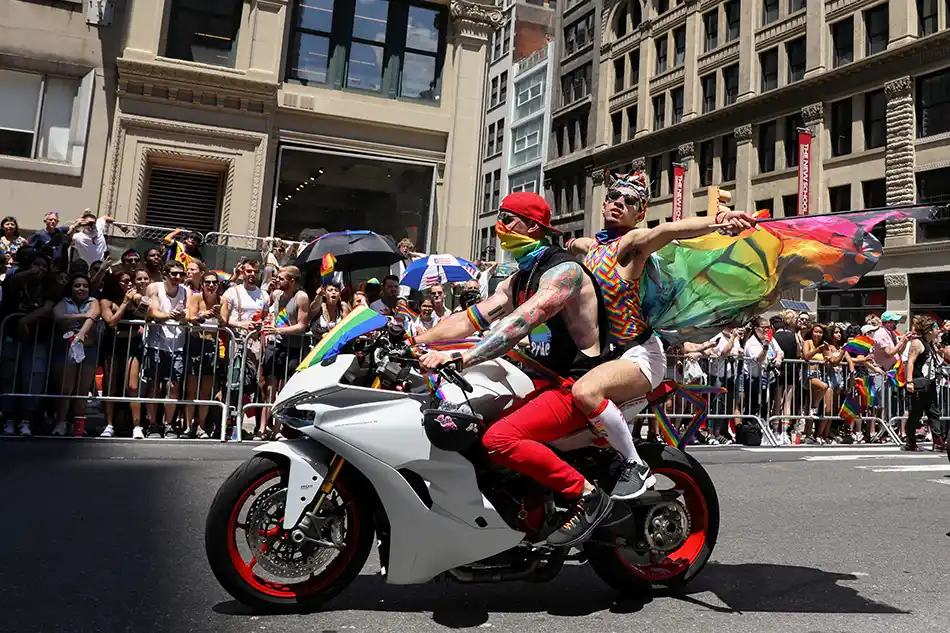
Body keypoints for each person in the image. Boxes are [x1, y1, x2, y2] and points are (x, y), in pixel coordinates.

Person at [415, 192, 612, 549]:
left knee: (499, 440)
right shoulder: (520, 278)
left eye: (507, 219)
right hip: (542, 382)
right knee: (470, 426)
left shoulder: (564, 271)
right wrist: (416, 341)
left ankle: (586, 495)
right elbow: (469, 319)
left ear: (533, 227)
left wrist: (461, 359)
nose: (499, 227)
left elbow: (519, 323)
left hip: (575, 383)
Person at [567, 171, 754, 498]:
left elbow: (669, 230)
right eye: (613, 197)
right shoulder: (589, 247)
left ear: (640, 214)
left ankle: (634, 464)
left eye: (630, 201)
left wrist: (719, 220)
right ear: (604, 204)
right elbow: (572, 246)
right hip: (601, 356)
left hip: (638, 355)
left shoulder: (633, 244)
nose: (619, 203)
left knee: (586, 393)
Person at [259, 265, 310, 439]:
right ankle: (262, 428)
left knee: (284, 390)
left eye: (281, 278)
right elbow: (267, 313)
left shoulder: (301, 297)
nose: (278, 280)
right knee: (270, 387)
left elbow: (302, 326)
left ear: (292, 281)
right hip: (276, 345)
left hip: (293, 348)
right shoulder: (276, 295)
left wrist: (279, 330)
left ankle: (277, 429)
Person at [51, 273, 101, 436]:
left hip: (88, 348)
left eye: (85, 286)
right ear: (71, 288)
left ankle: (78, 426)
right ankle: (61, 423)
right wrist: (81, 315)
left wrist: (79, 336)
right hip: (67, 349)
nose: (81, 289)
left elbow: (93, 316)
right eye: (77, 285)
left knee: (82, 389)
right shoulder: (64, 302)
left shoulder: (93, 301)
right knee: (66, 389)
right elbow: (59, 316)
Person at [144, 260, 189, 438]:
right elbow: (154, 311)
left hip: (177, 345)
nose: (178, 277)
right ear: (165, 274)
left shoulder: (185, 291)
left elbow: (189, 314)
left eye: (181, 274)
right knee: (154, 385)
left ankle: (169, 424)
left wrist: (183, 316)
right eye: (174, 274)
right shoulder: (154, 287)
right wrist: (169, 315)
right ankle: (153, 425)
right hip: (155, 344)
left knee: (173, 387)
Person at [184, 270, 224, 439]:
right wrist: (203, 315)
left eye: (214, 282)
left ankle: (201, 426)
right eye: (207, 282)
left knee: (205, 391)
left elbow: (224, 322)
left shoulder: (222, 300)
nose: (211, 285)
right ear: (202, 285)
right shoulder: (196, 298)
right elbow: (190, 317)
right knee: (191, 390)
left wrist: (218, 316)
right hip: (195, 344)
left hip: (212, 345)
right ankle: (188, 427)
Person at [904, 315, 942, 452]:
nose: (938, 330)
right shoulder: (917, 343)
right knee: (915, 415)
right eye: (936, 328)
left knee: (934, 413)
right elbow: (910, 362)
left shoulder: (930, 344)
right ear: (930, 330)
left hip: (930, 384)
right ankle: (910, 442)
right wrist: (909, 381)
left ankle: (938, 441)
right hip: (918, 384)